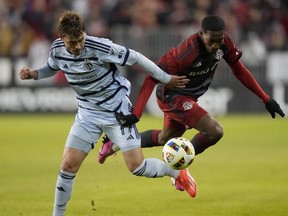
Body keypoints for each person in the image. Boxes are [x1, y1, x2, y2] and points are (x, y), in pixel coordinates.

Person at [19, 10, 196, 216]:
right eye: (71, 43)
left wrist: (165, 78)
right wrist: (34, 74)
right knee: (68, 165)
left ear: (84, 34)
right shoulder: (57, 49)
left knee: (136, 167)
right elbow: (52, 67)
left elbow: (136, 57)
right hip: (87, 114)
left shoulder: (100, 47)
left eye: (79, 40)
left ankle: (176, 171)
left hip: (117, 111)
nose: (76, 46)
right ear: (62, 38)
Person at [98, 15, 285, 167]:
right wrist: (136, 114)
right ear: (201, 34)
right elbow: (150, 78)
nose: (216, 45)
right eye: (212, 40)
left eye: (219, 40)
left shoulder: (224, 42)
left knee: (166, 138)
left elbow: (239, 69)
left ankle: (113, 144)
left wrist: (266, 99)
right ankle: (179, 167)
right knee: (215, 131)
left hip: (188, 97)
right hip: (172, 97)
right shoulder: (183, 55)